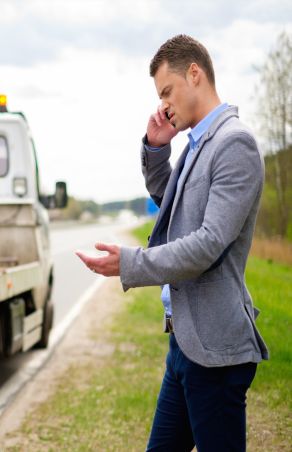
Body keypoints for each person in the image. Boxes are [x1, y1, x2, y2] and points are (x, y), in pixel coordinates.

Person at [76, 34, 269, 451]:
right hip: (183, 343)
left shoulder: (234, 143)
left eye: (167, 91)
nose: (163, 104)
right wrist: (157, 150)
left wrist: (131, 263)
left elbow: (208, 244)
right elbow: (173, 209)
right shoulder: (197, 144)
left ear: (194, 73)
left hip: (215, 352)